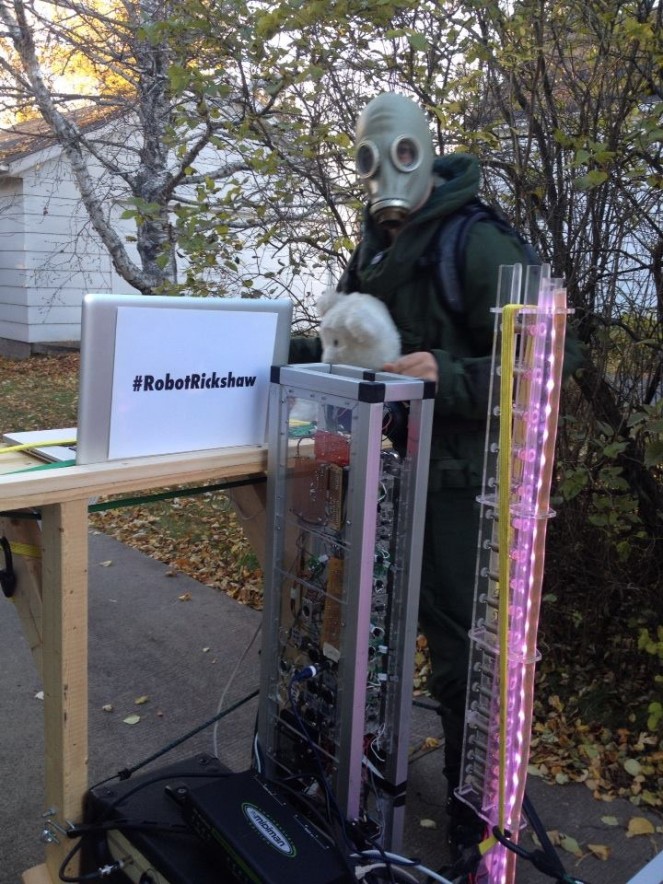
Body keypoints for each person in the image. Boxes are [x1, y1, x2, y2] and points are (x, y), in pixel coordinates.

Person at [289, 91, 583, 857]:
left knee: (462, 656)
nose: (385, 175)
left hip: (463, 486)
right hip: (391, 472)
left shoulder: (475, 244)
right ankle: (365, 773)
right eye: (368, 159)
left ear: (423, 154)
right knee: (376, 630)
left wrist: (446, 373)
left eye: (401, 155)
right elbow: (347, 338)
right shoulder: (375, 249)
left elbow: (557, 358)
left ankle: (476, 814)